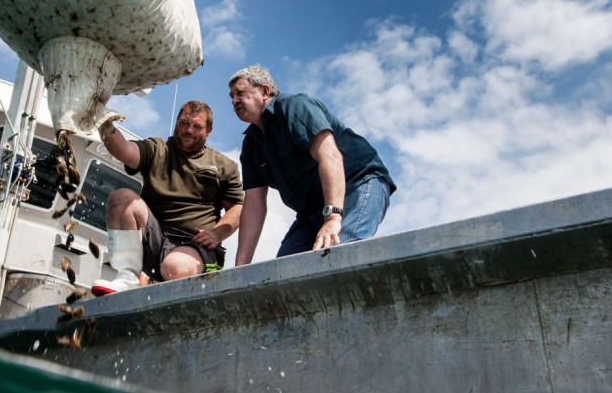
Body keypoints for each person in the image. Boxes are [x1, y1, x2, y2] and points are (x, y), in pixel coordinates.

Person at [228, 65, 395, 264]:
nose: (234, 100)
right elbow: (253, 205)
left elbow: (330, 156)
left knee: (335, 258)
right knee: (281, 273)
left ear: (265, 91)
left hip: (357, 185)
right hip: (312, 211)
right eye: (231, 96)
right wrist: (240, 267)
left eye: (240, 93)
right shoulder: (251, 146)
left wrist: (333, 218)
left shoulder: (294, 106)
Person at [94, 99, 244, 293]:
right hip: (154, 237)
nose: (188, 130)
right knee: (120, 198)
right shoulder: (157, 149)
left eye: (196, 126)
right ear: (176, 123)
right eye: (184, 123)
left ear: (209, 130)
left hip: (195, 244)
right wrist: (102, 122)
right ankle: (127, 275)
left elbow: (238, 207)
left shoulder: (224, 165)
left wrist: (217, 233)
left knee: (174, 268)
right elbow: (125, 151)